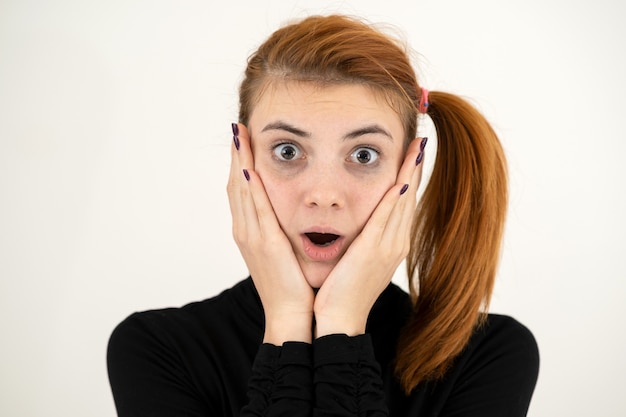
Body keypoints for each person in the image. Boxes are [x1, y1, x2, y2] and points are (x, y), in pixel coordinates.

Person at [107, 14, 539, 417]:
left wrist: (343, 328)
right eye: (288, 151)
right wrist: (286, 322)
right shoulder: (156, 349)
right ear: (242, 162)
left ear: (409, 170)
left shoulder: (491, 355)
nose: (324, 196)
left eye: (364, 154)